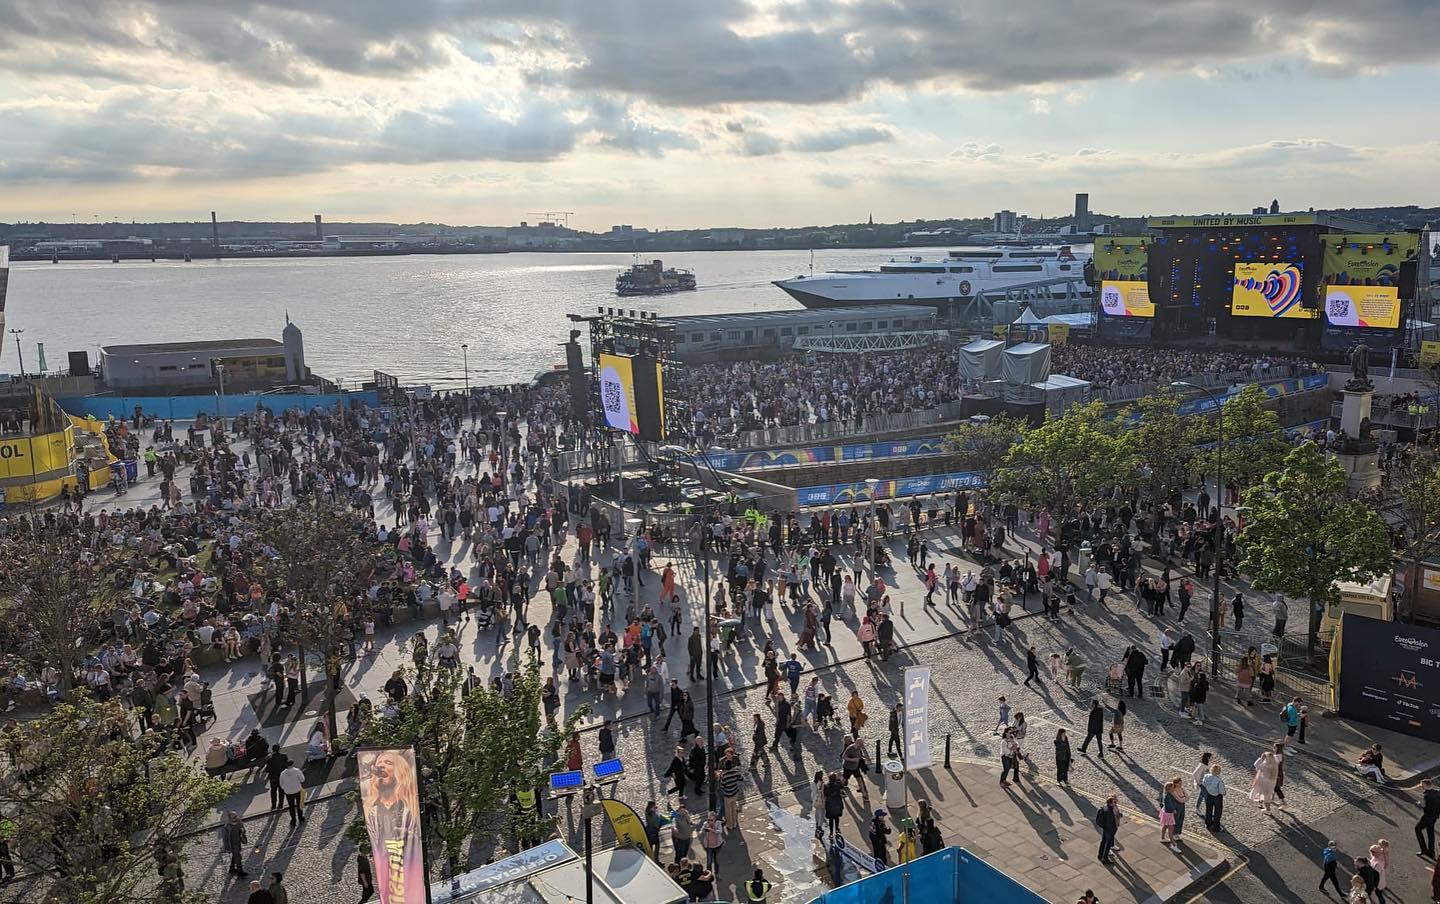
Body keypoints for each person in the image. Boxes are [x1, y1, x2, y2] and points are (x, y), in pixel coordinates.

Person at [1416, 778, 1440, 858]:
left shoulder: (1427, 795)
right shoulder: (1437, 792)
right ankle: (1431, 851)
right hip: (1434, 816)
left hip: (1427, 816)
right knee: (1430, 832)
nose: (1421, 786)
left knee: (1417, 829)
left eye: (1422, 785)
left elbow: (1426, 807)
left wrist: (1419, 805)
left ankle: (1424, 849)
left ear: (1426, 785)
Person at [220, 811, 248, 876]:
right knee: (238, 857)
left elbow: (243, 831)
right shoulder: (227, 827)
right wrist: (227, 848)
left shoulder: (240, 823)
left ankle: (232, 868)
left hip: (238, 842)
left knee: (235, 856)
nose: (235, 818)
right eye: (233, 817)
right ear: (230, 818)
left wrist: (242, 832)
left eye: (236, 816)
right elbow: (225, 838)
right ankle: (240, 871)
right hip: (232, 844)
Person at [1095, 796, 1121, 864]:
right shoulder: (1109, 811)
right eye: (1114, 802)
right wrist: (1114, 828)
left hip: (1105, 828)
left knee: (1103, 841)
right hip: (1110, 829)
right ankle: (1105, 858)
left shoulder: (1105, 808)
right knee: (1108, 844)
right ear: (1110, 803)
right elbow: (1110, 822)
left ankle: (1100, 855)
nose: (1115, 803)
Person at [279, 761, 306, 826]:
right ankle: (300, 817)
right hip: (297, 790)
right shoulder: (297, 771)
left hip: (289, 792)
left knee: (291, 806)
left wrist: (285, 788)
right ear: (292, 764)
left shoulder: (282, 773)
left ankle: (293, 820)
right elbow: (302, 779)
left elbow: (281, 784)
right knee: (299, 804)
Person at [1201, 765, 1226, 831]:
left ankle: (1208, 823)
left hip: (1209, 795)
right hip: (1217, 797)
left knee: (1208, 810)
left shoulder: (1206, 776)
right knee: (1218, 812)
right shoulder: (1219, 781)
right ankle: (1216, 827)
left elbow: (1203, 784)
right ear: (1218, 772)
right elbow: (1222, 791)